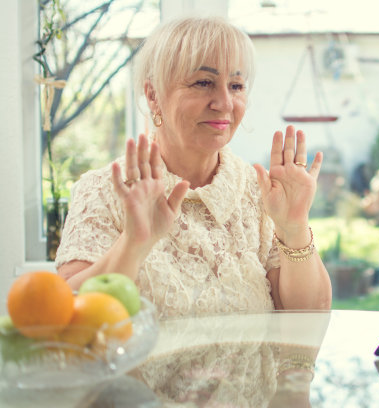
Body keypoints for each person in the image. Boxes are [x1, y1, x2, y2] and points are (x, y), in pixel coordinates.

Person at [56, 17, 332, 318]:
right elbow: (65, 312)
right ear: (153, 95)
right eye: (204, 82)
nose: (225, 103)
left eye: (236, 85)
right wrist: (133, 243)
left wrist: (294, 225)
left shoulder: (261, 193)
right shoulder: (104, 190)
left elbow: (308, 317)